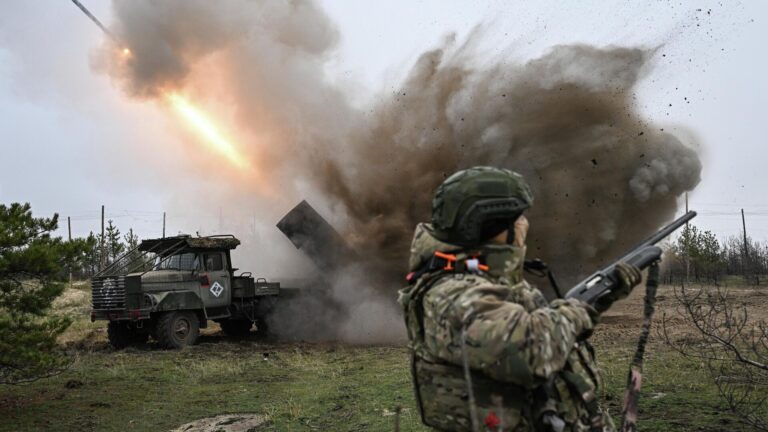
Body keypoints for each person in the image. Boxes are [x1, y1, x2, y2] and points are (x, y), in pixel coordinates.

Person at [399, 166, 642, 431]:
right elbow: (530, 349)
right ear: (496, 228)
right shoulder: (452, 293)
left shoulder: (485, 279)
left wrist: (600, 297)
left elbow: (540, 323)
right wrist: (576, 311)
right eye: (518, 218)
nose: (524, 224)